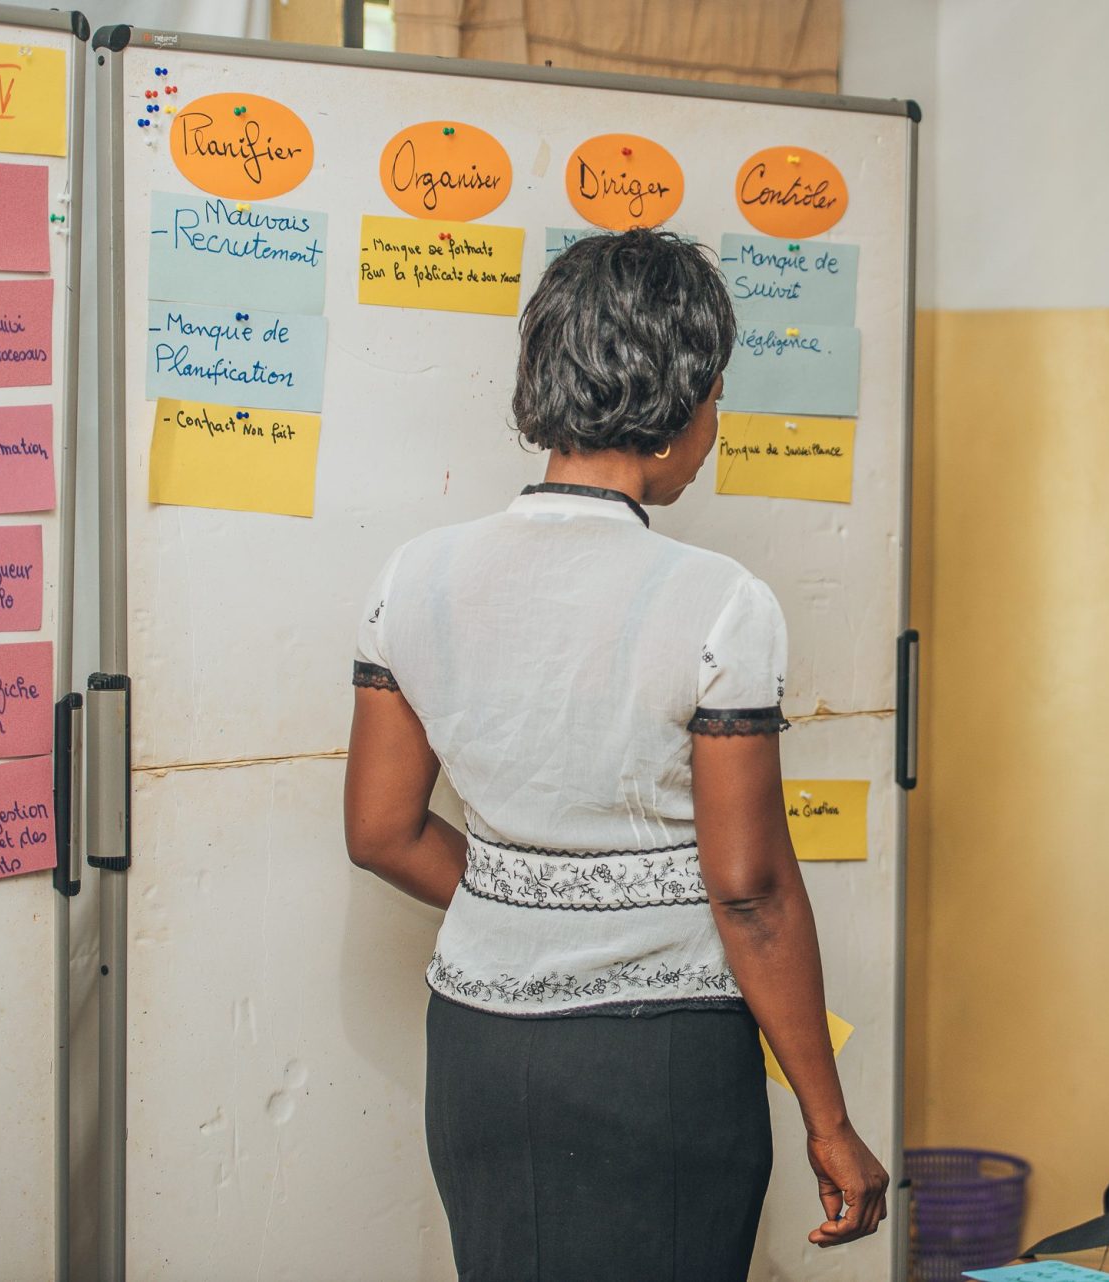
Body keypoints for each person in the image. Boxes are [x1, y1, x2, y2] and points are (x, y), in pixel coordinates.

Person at [343, 229, 888, 1280]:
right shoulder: (721, 602)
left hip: (479, 1052)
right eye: (717, 394)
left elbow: (380, 830)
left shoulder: (412, 577)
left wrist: (529, 895)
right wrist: (828, 1118)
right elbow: (752, 894)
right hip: (660, 1056)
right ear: (684, 402)